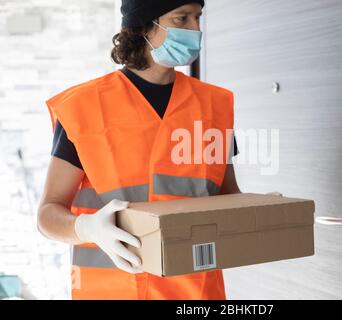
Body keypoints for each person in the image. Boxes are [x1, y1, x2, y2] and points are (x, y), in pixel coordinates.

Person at [37, 0, 241, 300]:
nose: (196, 30)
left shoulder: (214, 106)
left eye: (198, 18)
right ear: (144, 26)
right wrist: (87, 228)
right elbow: (47, 215)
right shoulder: (84, 108)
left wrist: (262, 212)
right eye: (181, 19)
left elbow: (229, 197)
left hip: (197, 294)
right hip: (111, 292)